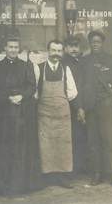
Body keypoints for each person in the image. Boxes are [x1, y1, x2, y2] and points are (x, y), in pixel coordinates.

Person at [0, 36, 36, 194]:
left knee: (19, 149)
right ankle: (4, 187)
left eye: (16, 47)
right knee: (4, 148)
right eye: (10, 47)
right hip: (3, 112)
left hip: (21, 113)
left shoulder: (26, 65)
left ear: (19, 49)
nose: (13, 50)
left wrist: (21, 96)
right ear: (5, 48)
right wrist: (7, 97)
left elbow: (32, 87)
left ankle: (18, 186)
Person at [78, 31, 112, 187]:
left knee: (109, 140)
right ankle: (96, 173)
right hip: (90, 107)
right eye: (92, 41)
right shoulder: (84, 61)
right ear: (89, 43)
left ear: (103, 43)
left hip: (107, 106)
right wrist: (81, 107)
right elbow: (80, 85)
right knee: (93, 141)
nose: (95, 44)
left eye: (98, 41)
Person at [37, 40, 79, 189]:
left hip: (62, 113)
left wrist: (61, 102)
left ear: (62, 52)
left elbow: (73, 92)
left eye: (59, 51)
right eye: (53, 50)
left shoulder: (65, 69)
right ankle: (47, 177)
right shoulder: (39, 68)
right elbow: (36, 93)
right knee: (45, 145)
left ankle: (62, 177)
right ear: (48, 51)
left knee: (63, 145)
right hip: (44, 113)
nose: (56, 54)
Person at [63, 36, 87, 174]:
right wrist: (78, 107)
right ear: (65, 48)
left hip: (83, 104)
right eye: (71, 46)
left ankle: (81, 167)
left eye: (76, 46)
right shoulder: (64, 63)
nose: (73, 49)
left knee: (82, 137)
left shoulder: (83, 62)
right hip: (71, 106)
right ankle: (73, 169)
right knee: (72, 137)